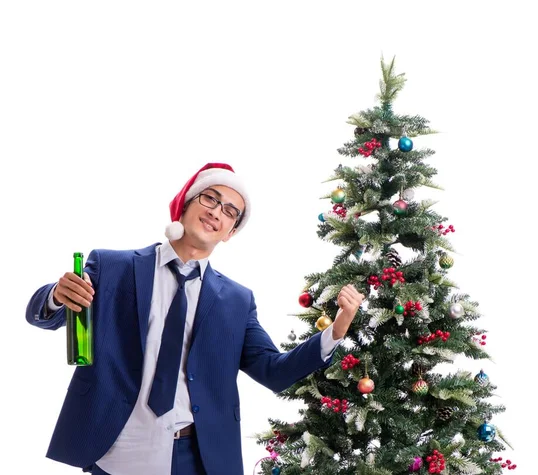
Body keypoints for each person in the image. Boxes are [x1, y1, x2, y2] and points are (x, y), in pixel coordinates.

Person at [25, 162, 364, 475]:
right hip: (116, 446)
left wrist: (336, 330)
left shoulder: (237, 300)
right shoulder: (113, 267)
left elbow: (272, 370)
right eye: (210, 199)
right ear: (185, 204)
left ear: (230, 231)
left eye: (230, 211)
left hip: (194, 456)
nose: (217, 212)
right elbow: (44, 316)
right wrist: (56, 296)